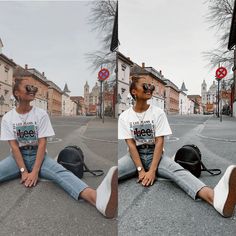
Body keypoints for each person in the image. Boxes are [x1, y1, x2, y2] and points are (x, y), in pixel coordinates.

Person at [118, 75, 236, 218]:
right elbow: (130, 144)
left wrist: (152, 170)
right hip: (134, 157)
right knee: (115, 171)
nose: (150, 88)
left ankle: (215, 199)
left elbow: (160, 141)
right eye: (145, 85)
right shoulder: (125, 116)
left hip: (156, 154)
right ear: (133, 91)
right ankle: (100, 196)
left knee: (180, 173)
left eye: (151, 86)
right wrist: (141, 170)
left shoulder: (158, 113)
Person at [0, 78, 117, 219]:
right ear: (17, 93)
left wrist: (35, 171)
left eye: (33, 87)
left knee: (62, 173)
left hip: (39, 155)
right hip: (17, 158)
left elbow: (42, 143)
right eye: (27, 87)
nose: (32, 90)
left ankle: (97, 199)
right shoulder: (8, 118)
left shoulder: (41, 114)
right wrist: (24, 171)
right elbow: (13, 146)